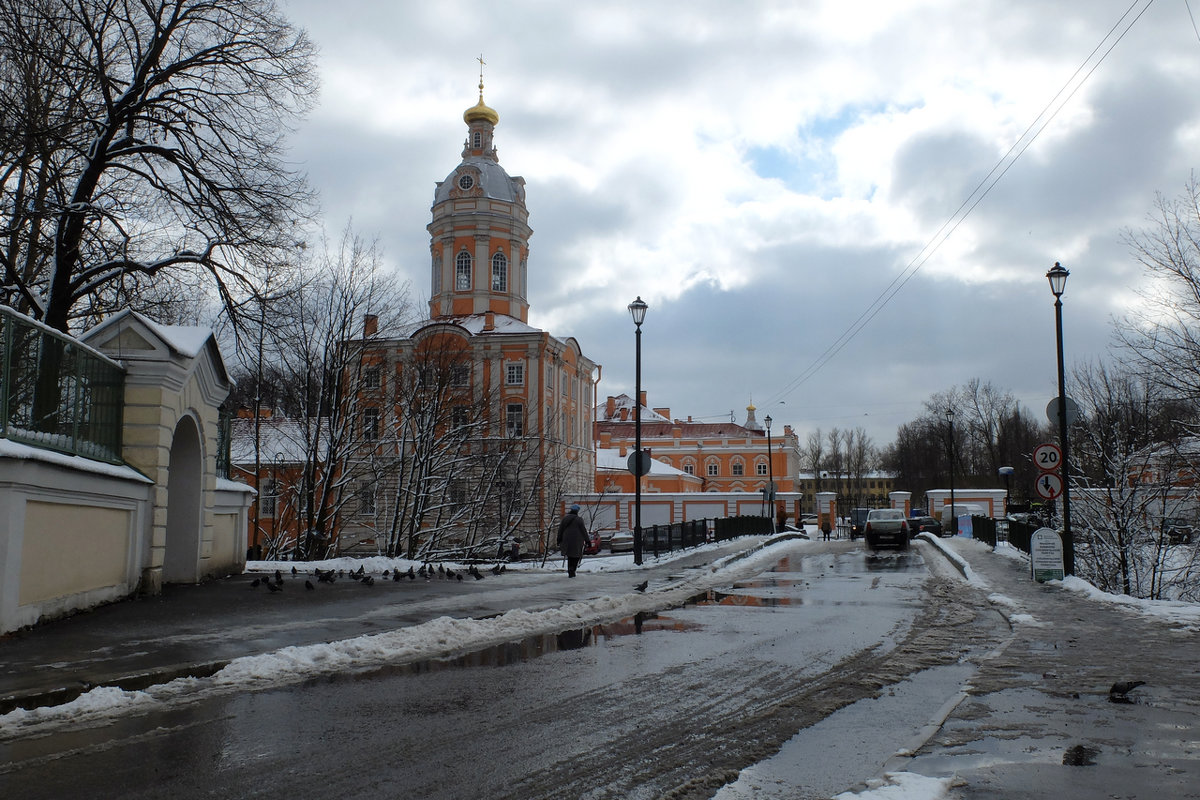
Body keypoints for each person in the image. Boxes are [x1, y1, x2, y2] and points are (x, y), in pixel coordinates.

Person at [557, 503, 589, 578]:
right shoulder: (579, 519)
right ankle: (572, 569)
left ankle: (570, 571)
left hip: (566, 540)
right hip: (577, 541)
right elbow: (583, 530)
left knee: (570, 556)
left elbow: (560, 529)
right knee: (576, 555)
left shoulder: (565, 519)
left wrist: (559, 539)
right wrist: (587, 540)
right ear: (577, 511)